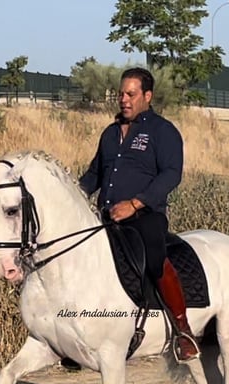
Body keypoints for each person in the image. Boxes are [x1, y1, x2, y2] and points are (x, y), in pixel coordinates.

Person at [79, 67, 200, 362]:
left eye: (131, 94)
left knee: (156, 258)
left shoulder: (162, 131)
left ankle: (183, 330)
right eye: (121, 93)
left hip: (145, 215)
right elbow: (95, 174)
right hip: (107, 216)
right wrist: (73, 195)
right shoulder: (109, 134)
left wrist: (134, 204)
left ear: (148, 96)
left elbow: (171, 174)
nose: (124, 99)